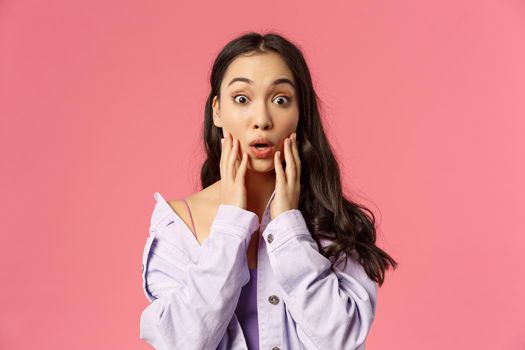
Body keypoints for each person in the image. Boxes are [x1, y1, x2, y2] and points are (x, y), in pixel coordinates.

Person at [139, 31, 397, 350]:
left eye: (280, 100)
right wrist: (231, 225)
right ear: (217, 111)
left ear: (300, 113)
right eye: (242, 99)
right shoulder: (178, 224)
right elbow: (182, 341)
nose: (261, 120)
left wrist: (289, 226)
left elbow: (342, 340)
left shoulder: (335, 223)